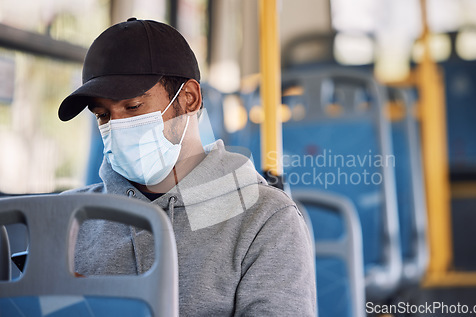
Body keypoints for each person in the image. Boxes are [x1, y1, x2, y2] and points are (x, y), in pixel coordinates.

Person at [59, 18, 316, 316]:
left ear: (189, 99)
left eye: (132, 107)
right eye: (103, 115)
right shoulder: (69, 218)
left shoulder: (265, 220)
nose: (116, 127)